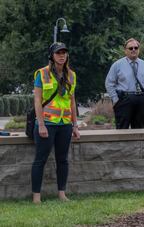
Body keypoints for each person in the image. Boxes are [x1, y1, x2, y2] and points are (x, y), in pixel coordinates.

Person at [31, 42, 80, 204]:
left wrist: (75, 125)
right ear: (52, 56)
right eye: (58, 53)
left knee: (63, 160)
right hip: (47, 124)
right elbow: (37, 101)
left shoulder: (71, 75)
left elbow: (72, 102)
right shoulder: (42, 74)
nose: (62, 55)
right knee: (40, 160)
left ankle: (61, 194)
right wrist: (41, 124)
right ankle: (36, 197)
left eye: (64, 52)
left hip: (64, 124)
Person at [105, 38, 144, 129]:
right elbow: (109, 83)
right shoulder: (117, 65)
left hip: (141, 100)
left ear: (139, 49)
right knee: (122, 130)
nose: (133, 50)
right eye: (130, 48)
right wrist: (115, 99)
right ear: (125, 50)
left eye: (136, 48)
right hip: (124, 100)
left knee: (139, 130)